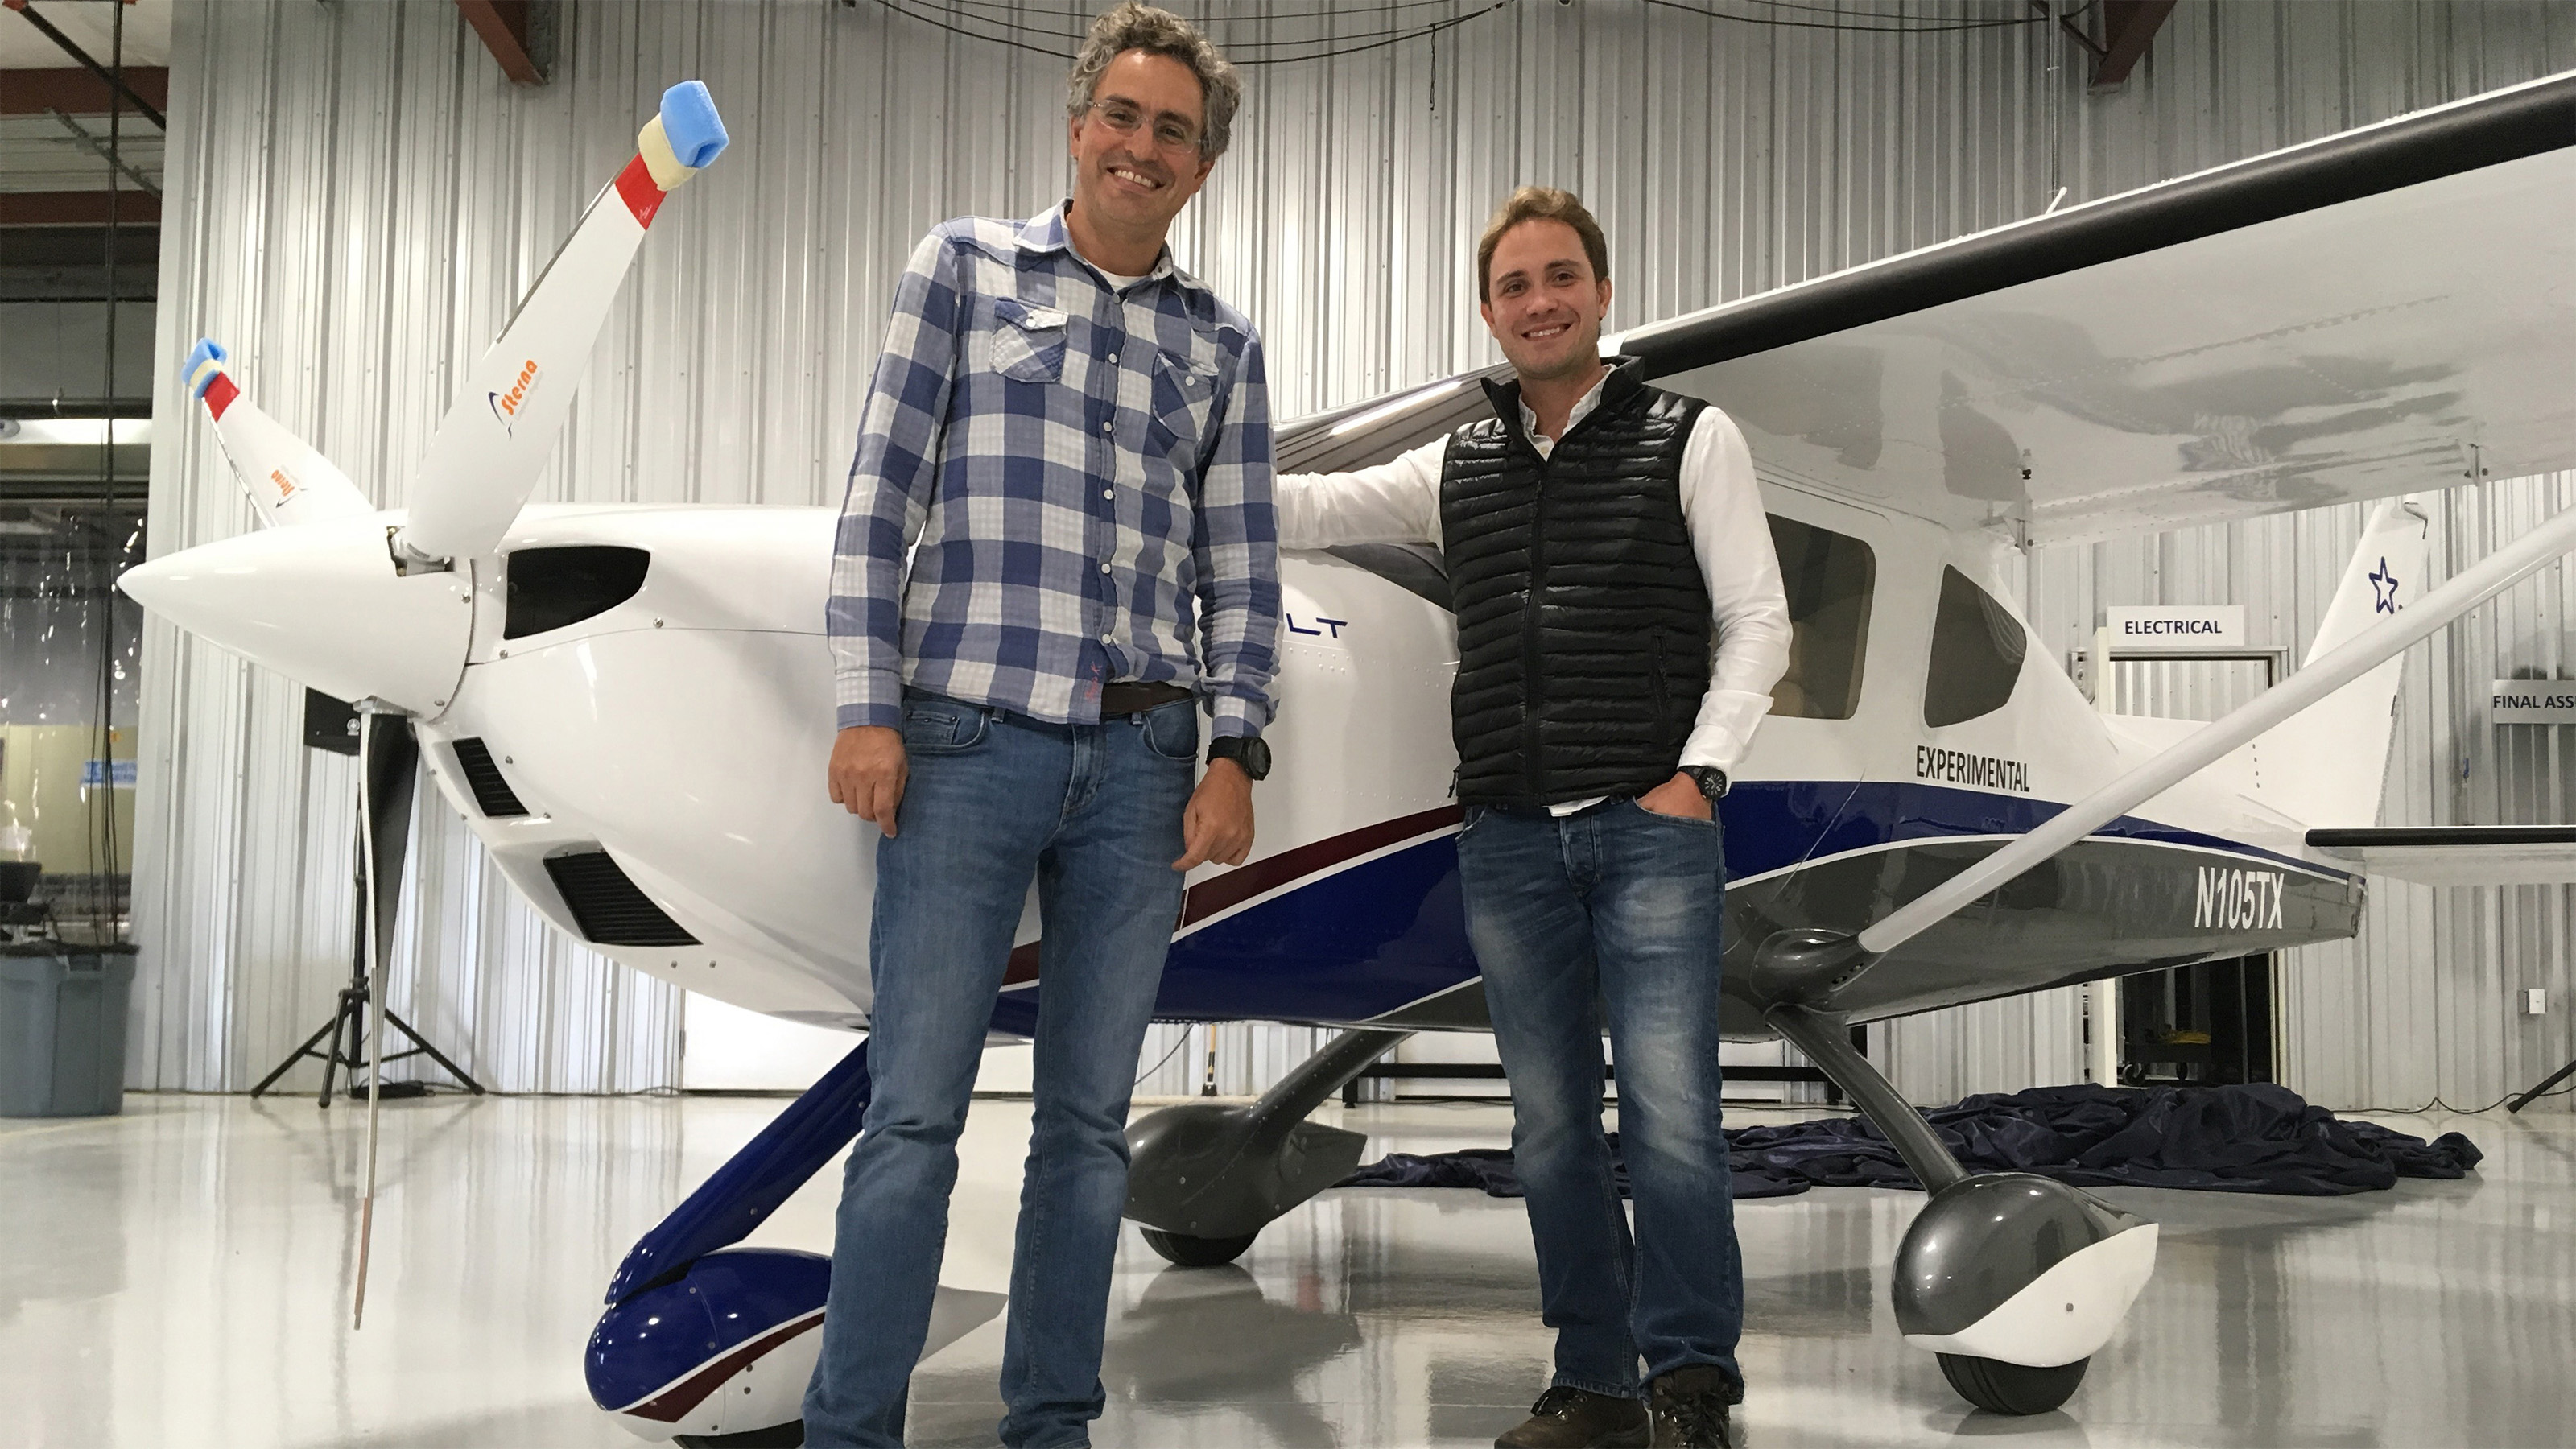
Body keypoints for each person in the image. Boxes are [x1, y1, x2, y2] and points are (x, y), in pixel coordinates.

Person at [809, 7, 1279, 1446]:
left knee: (1084, 1135)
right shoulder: (960, 269)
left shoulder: (1223, 344)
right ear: (1079, 128)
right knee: (912, 1120)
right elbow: (878, 499)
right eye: (1124, 119)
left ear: (1201, 167)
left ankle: (1052, 1423)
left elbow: (1240, 570)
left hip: (1143, 767)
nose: (1144, 148)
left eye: (1175, 132)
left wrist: (1234, 747)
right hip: (963, 747)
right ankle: (852, 1427)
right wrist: (866, 709)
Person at [1274, 187, 1790, 1449]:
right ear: (1491, 312)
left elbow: (1760, 622)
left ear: (1604, 294)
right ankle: (1598, 1384)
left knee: (1673, 1120)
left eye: (1562, 276)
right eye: (1515, 285)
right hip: (1505, 833)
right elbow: (1310, 509)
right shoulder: (1460, 465)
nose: (1540, 301)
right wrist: (1176, 463)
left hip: (1650, 828)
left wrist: (1699, 776)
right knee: (1550, 1127)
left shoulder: (1691, 436)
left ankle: (1692, 1383)